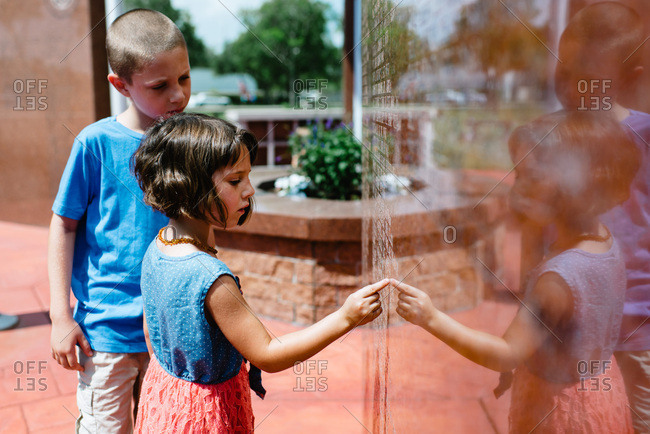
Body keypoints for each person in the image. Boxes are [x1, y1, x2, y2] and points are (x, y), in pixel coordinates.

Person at [131, 112, 388, 432]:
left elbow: (150, 331)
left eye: (248, 177)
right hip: (207, 416)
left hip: (164, 397)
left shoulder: (158, 247)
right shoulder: (211, 279)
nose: (250, 190)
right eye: (235, 180)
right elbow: (268, 353)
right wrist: (346, 317)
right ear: (188, 187)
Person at [393, 111, 640, 433]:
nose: (517, 187)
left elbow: (506, 353)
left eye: (532, 177)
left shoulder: (558, 279)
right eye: (518, 173)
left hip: (557, 410)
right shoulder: (604, 241)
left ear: (575, 187)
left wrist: (430, 317)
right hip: (598, 394)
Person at [48, 9, 190, 433]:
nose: (178, 95)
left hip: (170, 331)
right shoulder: (95, 144)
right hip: (105, 334)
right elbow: (64, 225)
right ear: (121, 85)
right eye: (160, 86)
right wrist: (60, 316)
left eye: (184, 78)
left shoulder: (188, 143)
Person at [539, 4, 650, 431]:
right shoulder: (554, 138)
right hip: (576, 328)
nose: (571, 86)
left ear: (633, 79)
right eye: (567, 72)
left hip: (638, 331)